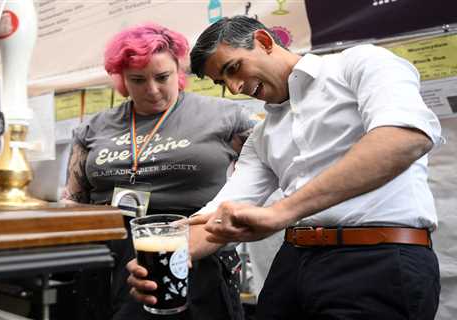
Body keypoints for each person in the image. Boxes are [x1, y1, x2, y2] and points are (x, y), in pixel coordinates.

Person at [127, 15, 443, 320]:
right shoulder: (261, 136)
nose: (235, 88)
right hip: (294, 263)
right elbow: (219, 214)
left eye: (234, 68)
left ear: (264, 41)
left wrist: (283, 211)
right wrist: (166, 254)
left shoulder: (360, 64)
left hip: (380, 259)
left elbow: (405, 137)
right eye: (223, 82)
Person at [62, 23, 255, 320]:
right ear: (122, 80)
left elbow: (265, 177)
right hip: (109, 254)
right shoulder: (94, 128)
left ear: (179, 70)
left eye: (162, 77)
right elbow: (74, 201)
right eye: (137, 80)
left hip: (195, 244)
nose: (152, 89)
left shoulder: (228, 117)